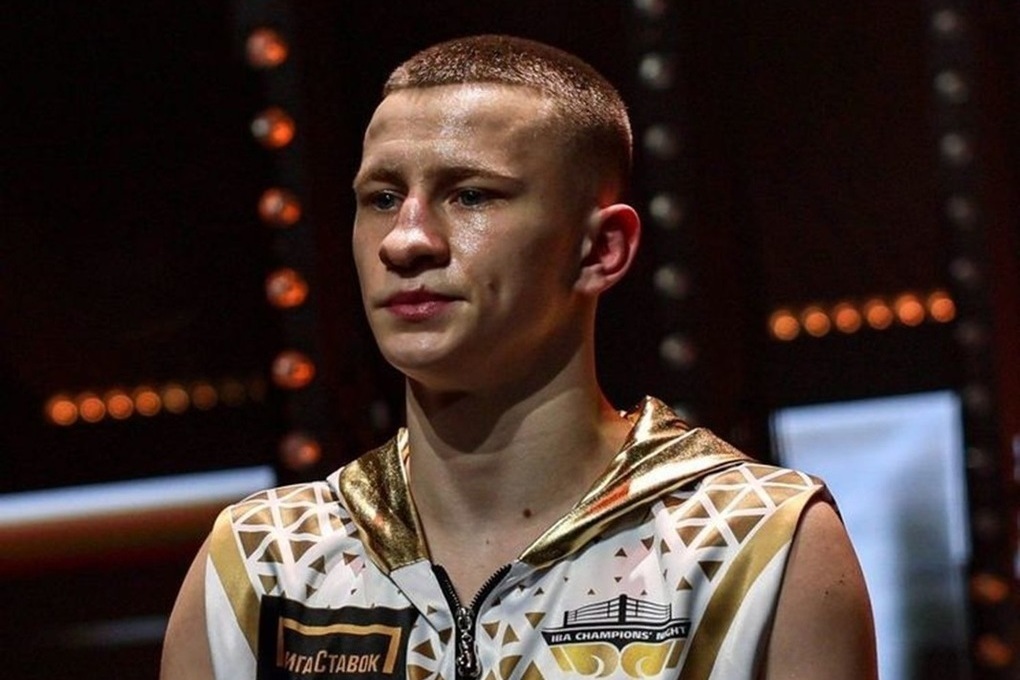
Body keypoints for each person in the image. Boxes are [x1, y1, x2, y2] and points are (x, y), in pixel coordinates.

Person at [161, 34, 877, 679]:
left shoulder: (755, 546)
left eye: (470, 195)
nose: (405, 240)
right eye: (381, 197)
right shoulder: (265, 564)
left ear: (601, 250)